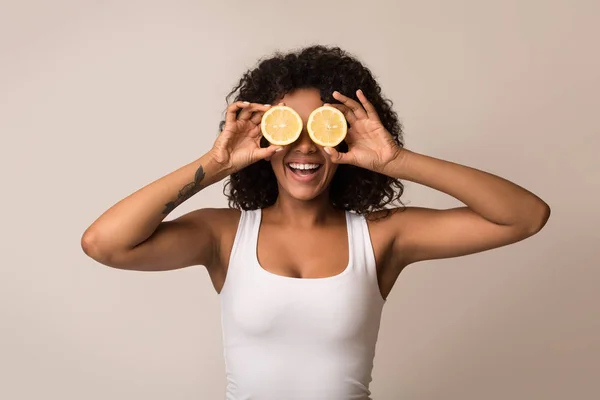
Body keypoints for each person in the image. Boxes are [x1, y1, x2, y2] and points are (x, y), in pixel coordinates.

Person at [81, 45, 550, 399]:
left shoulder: (382, 235)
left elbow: (525, 217)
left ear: (345, 137)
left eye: (322, 128)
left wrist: (395, 159)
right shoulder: (222, 235)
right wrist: (217, 162)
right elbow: (104, 243)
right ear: (264, 137)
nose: (304, 147)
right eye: (289, 128)